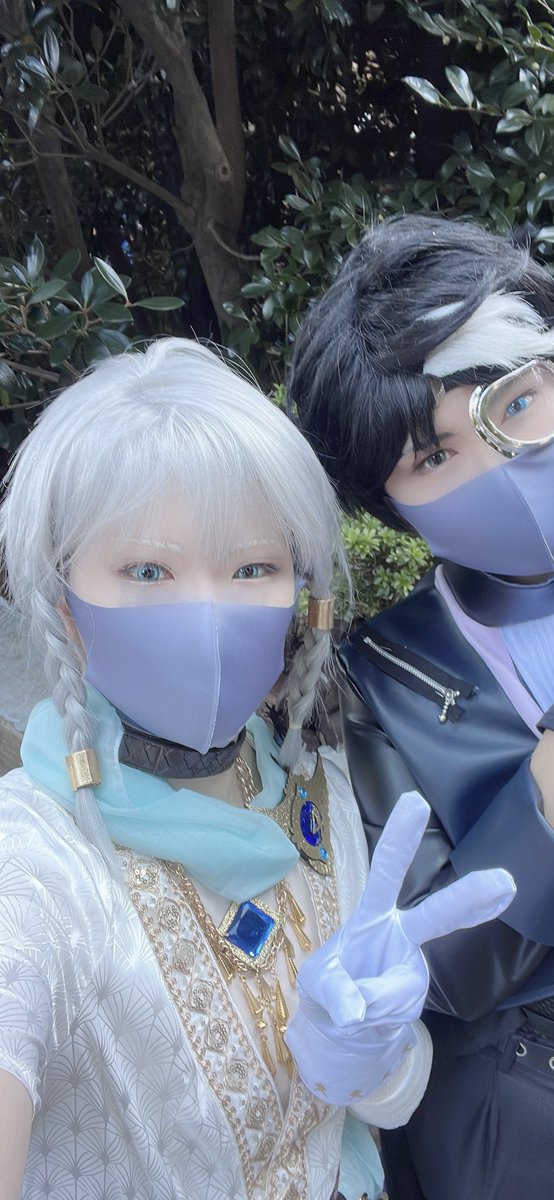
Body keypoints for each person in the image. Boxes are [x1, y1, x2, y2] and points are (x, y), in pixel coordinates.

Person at [0, 338, 515, 1200]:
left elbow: (380, 1109)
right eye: (147, 569)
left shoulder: (317, 787)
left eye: (252, 567)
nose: (206, 610)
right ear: (66, 606)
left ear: (300, 597)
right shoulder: (33, 860)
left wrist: (375, 1055)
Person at [288, 214, 554, 1200]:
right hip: (534, 1124)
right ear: (387, 502)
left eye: (517, 403)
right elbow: (451, 963)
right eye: (433, 458)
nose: (499, 466)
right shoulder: (378, 678)